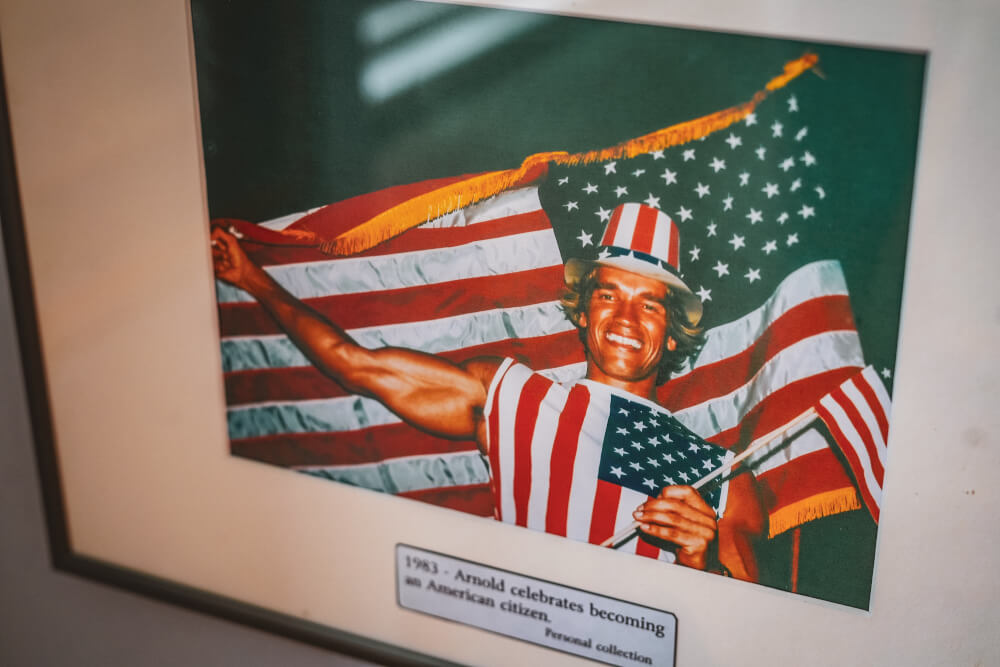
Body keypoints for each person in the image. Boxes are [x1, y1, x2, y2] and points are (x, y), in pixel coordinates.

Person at [211, 202, 764, 580]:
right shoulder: (510, 394)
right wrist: (253, 280)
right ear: (583, 309)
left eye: (650, 303)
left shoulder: (722, 474)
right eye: (608, 295)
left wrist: (697, 557)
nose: (625, 317)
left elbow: (750, 635)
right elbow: (354, 366)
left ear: (672, 332)